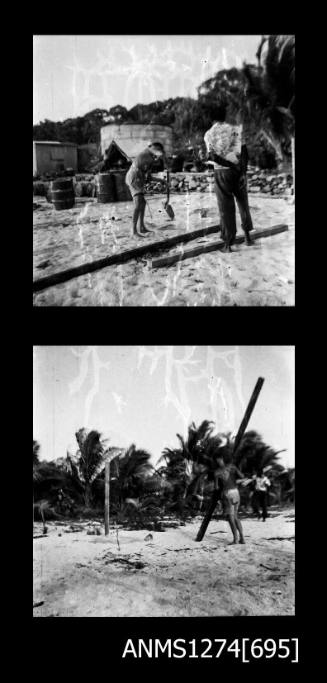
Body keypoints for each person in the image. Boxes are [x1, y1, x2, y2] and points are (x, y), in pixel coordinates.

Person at [204, 113, 254, 252]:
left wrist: (230, 165)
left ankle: (228, 244)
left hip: (222, 172)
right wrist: (242, 172)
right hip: (239, 171)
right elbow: (244, 152)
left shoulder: (209, 134)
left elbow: (212, 156)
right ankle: (248, 237)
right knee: (243, 203)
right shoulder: (235, 130)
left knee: (225, 208)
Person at [125, 142, 167, 238]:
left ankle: (141, 227)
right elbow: (153, 151)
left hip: (138, 178)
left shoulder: (150, 159)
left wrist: (161, 180)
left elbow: (149, 178)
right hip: (134, 178)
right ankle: (134, 231)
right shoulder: (146, 154)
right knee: (138, 203)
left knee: (142, 203)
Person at [213, 456, 246, 544]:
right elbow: (242, 476)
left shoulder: (217, 472)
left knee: (231, 517)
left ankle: (235, 539)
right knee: (235, 516)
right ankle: (242, 538)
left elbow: (216, 487)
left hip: (228, 493)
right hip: (236, 491)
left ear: (217, 460)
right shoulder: (231, 466)